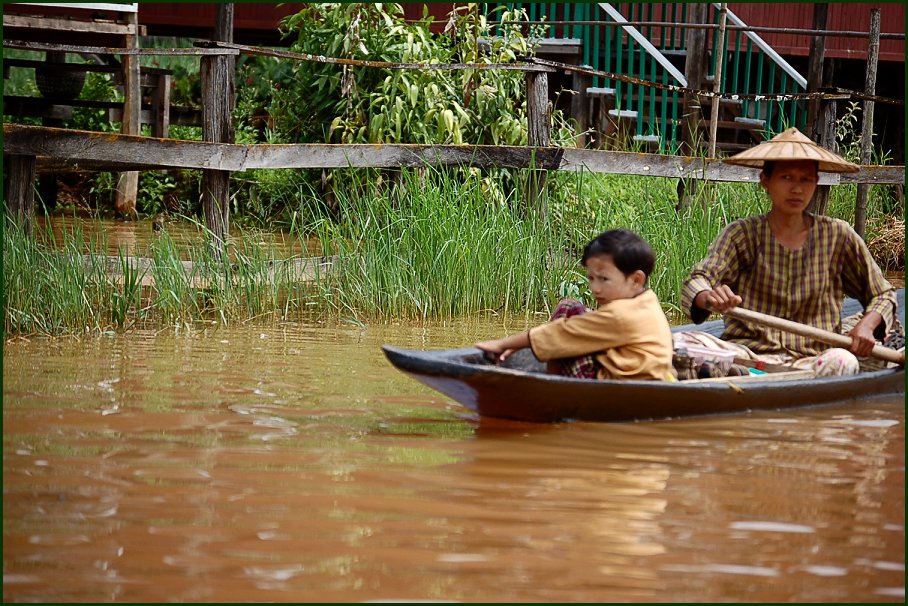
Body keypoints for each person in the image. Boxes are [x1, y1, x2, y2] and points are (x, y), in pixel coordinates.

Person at [677, 127, 899, 377]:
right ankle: (746, 375)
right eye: (786, 178)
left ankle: (752, 381)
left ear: (815, 183)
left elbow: (883, 294)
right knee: (680, 343)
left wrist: (867, 328)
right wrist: (709, 297)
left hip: (814, 360)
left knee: (842, 361)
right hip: (747, 355)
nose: (797, 189)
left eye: (805, 179)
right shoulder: (742, 234)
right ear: (765, 181)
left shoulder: (838, 235)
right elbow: (696, 281)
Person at [475, 228, 675, 381]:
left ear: (636, 280)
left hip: (621, 383)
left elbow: (560, 333)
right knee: (575, 312)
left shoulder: (620, 314)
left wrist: (502, 344)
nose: (595, 288)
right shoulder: (647, 301)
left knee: (567, 309)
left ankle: (553, 386)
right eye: (591, 278)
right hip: (643, 374)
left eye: (604, 279)